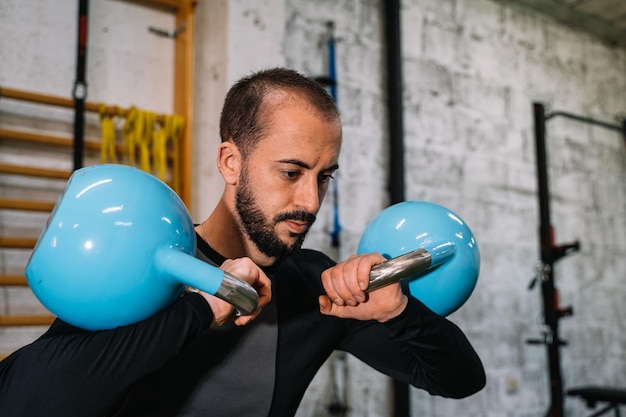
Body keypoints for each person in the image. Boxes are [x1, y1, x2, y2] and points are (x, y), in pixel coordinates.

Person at [0, 67, 485, 417]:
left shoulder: (314, 287)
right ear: (232, 163)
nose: (311, 201)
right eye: (292, 172)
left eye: (324, 177)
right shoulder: (147, 267)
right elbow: (23, 399)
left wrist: (397, 313)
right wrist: (200, 309)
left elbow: (459, 380)